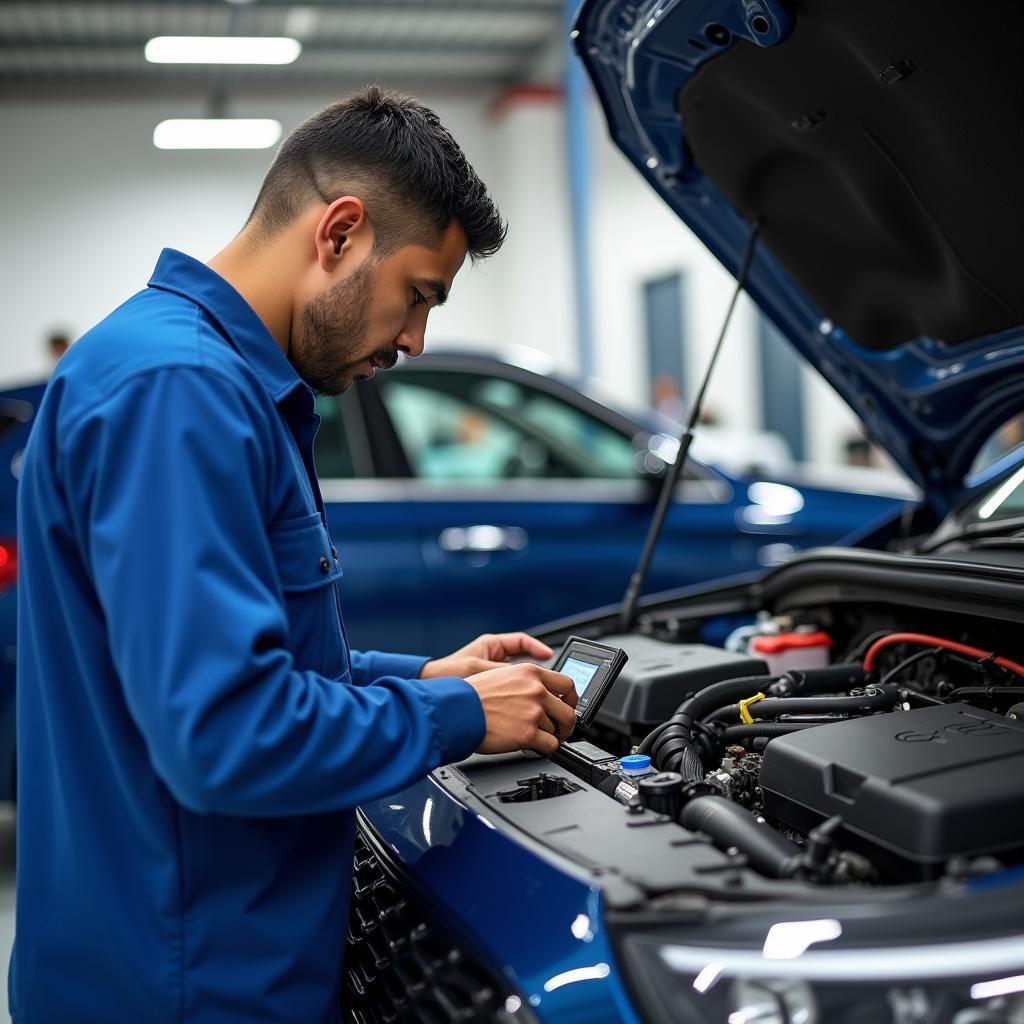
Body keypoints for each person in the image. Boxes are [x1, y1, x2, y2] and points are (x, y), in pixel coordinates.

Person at [12, 87, 578, 1023]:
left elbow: (243, 663)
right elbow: (225, 734)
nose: (413, 340)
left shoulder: (200, 375)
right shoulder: (181, 393)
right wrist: (455, 714)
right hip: (191, 988)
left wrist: (429, 671)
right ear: (341, 232)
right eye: (418, 296)